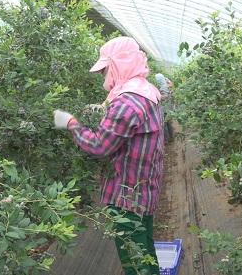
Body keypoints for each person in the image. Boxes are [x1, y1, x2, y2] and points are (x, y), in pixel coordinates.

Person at [53, 36, 164, 275]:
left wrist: (72, 123)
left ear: (119, 64)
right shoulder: (147, 92)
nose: (105, 76)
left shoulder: (126, 103)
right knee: (144, 247)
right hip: (144, 188)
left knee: (134, 258)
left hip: (127, 194)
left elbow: (100, 147)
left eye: (106, 69)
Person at [155, 73, 174, 142]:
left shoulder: (163, 87)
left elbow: (165, 96)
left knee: (164, 124)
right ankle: (171, 137)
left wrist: (157, 96)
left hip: (165, 108)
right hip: (169, 107)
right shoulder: (167, 85)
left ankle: (166, 140)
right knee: (168, 123)